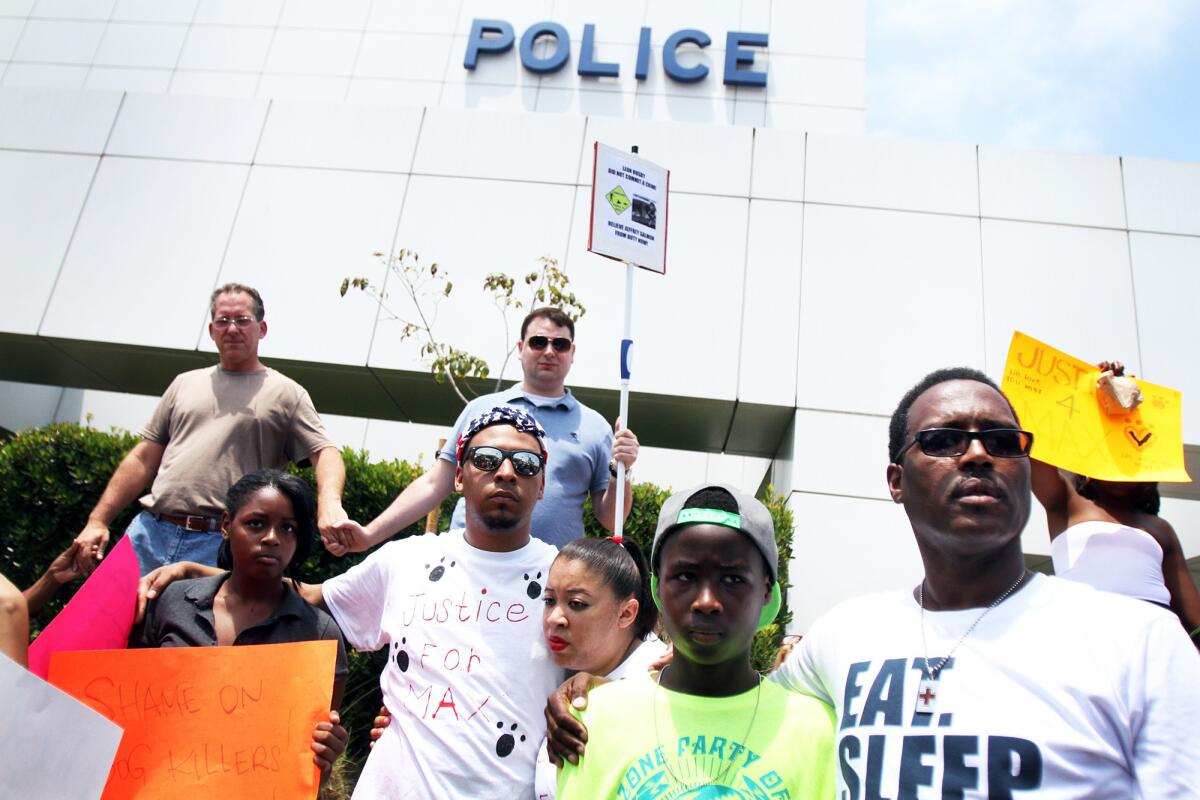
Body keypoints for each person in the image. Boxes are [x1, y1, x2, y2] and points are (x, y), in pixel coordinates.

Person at [547, 368, 1200, 798]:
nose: (977, 453)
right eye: (944, 439)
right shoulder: (846, 638)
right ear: (895, 481)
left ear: (1032, 472)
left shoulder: (1138, 642)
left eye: (1002, 440)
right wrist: (601, 692)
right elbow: (719, 696)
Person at [142, 406, 563, 797]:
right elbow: (307, 598)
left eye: (526, 464)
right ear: (458, 477)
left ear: (541, 484)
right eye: (487, 459)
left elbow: (615, 667)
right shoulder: (407, 559)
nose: (506, 473)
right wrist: (202, 575)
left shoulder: (568, 578)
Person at [555, 484, 836, 798]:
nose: (706, 601)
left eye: (732, 579)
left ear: (767, 591)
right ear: (657, 587)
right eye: (685, 576)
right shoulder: (594, 720)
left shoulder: (815, 730)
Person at [73, 282, 347, 576]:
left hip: (220, 544)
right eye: (223, 320)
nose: (232, 328)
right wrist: (98, 520)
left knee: (191, 624)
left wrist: (329, 504)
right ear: (211, 330)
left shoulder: (286, 393)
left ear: (262, 328)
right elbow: (143, 459)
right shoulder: (184, 383)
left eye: (242, 320)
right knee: (115, 620)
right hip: (148, 532)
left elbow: (325, 452)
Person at [324, 307, 638, 552]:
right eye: (538, 341)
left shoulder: (595, 427)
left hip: (550, 578)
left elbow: (612, 519)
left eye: (560, 344)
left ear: (572, 352)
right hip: (467, 564)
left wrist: (619, 469)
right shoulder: (480, 410)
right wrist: (369, 535)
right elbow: (436, 483)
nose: (549, 351)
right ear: (520, 347)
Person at [132, 469, 349, 781]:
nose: (272, 538)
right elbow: (130, 707)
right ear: (225, 525)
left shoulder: (320, 635)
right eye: (256, 523)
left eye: (288, 528)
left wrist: (326, 756)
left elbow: (311, 770)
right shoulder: (171, 602)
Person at [1031, 360, 1200, 640]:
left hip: (1155, 638)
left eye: (1129, 454)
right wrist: (1088, 395)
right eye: (1109, 451)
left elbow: (1193, 616)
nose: (1119, 463)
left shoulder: (1159, 527)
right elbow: (1035, 446)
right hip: (1086, 637)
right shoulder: (1066, 503)